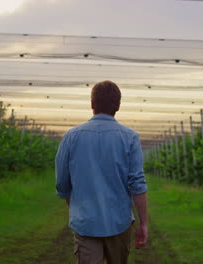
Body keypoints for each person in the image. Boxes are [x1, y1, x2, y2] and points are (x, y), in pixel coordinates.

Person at [55, 80, 148, 264]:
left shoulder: (71, 137)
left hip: (85, 223)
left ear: (92, 104)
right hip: (119, 223)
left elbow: (62, 183)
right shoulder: (130, 137)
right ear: (118, 106)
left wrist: (76, 209)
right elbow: (137, 184)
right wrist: (144, 223)